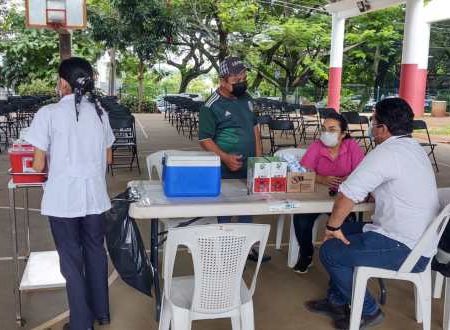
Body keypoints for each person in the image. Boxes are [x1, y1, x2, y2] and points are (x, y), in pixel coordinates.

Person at [305, 98, 439, 330]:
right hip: (415, 239)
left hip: (404, 246)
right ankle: (336, 301)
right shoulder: (413, 149)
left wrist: (332, 228)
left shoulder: (386, 152)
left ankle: (369, 311)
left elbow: (346, 194)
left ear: (383, 128)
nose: (371, 127)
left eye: (373, 121)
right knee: (345, 232)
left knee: (330, 250)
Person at [25, 57, 115, 330]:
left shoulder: (48, 114)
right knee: (96, 254)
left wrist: (42, 161)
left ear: (63, 83)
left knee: (71, 262)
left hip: (63, 201)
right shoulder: (101, 113)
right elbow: (108, 158)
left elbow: (39, 164)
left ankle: (81, 323)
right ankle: (102, 313)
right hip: (95, 199)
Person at [198, 56, 269, 262]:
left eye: (244, 77)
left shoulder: (247, 98)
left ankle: (247, 248)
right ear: (222, 80)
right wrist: (225, 157)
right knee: (226, 208)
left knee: (248, 206)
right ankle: (225, 250)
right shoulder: (211, 106)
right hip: (224, 168)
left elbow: (255, 128)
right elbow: (205, 139)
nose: (241, 82)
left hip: (248, 165)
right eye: (236, 80)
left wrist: (258, 159)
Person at [292, 112, 365, 274]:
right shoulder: (317, 146)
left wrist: (349, 178)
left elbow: (363, 172)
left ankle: (340, 258)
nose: (326, 133)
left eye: (332, 130)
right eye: (324, 129)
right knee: (301, 218)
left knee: (347, 222)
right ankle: (306, 253)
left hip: (343, 197)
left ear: (343, 134)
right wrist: (322, 179)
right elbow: (304, 173)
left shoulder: (352, 146)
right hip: (317, 195)